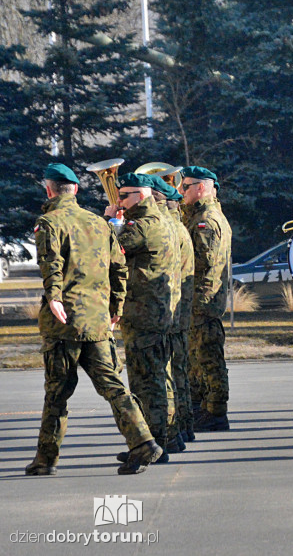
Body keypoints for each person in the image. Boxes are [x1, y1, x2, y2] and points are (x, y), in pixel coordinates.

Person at [26, 164, 162, 476]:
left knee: (57, 394)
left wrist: (54, 297)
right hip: (98, 320)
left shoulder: (49, 222)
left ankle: (46, 460)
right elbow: (119, 267)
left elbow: (51, 263)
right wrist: (116, 306)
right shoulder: (99, 224)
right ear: (75, 189)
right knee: (114, 386)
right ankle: (143, 442)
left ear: (49, 189)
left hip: (65, 324)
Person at [103, 173, 177, 461]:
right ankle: (158, 441)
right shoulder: (158, 221)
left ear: (141, 196)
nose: (118, 200)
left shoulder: (143, 225)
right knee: (153, 378)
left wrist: (110, 221)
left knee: (147, 382)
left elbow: (108, 251)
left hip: (144, 313)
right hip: (152, 312)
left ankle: (155, 444)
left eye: (124, 196)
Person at [180, 166, 233, 432]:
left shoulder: (206, 220)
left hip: (204, 300)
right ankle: (202, 407)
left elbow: (203, 260)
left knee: (209, 359)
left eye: (186, 187)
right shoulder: (198, 215)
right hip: (198, 300)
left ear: (201, 187)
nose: (181, 191)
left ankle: (215, 413)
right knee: (197, 359)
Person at [151, 176, 196, 446]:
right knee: (178, 371)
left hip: (169, 310)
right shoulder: (176, 225)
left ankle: (173, 431)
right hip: (177, 309)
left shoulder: (166, 227)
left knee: (170, 373)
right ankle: (182, 427)